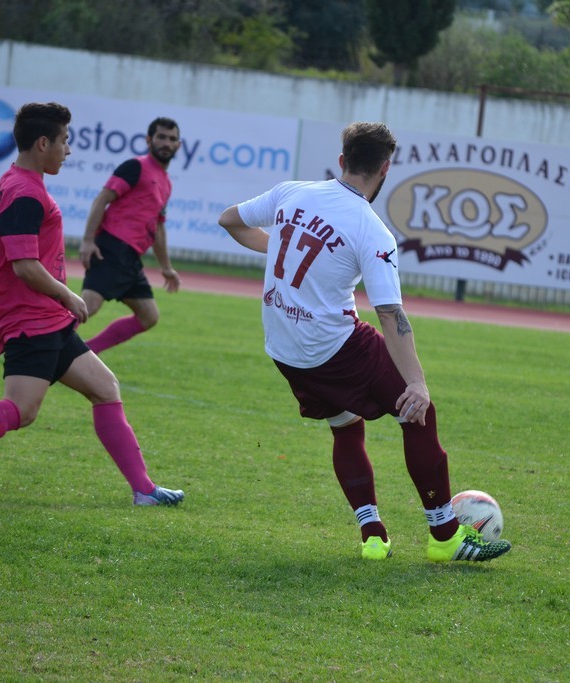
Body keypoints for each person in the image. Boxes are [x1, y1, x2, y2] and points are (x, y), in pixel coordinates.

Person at [217, 122, 511, 562]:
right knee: (418, 412)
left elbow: (229, 220)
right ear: (385, 169)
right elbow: (390, 314)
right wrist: (417, 383)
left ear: (342, 160)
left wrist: (284, 249)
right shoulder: (370, 229)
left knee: (346, 425)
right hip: (331, 346)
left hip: (283, 349)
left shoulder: (291, 191)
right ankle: (446, 536)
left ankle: (373, 534)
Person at [0, 102, 184, 507]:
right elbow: (24, 266)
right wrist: (66, 295)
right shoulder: (24, 192)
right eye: (65, 141)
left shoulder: (17, 183)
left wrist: (31, 308)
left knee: (105, 388)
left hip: (47, 318)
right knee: (22, 411)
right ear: (43, 143)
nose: (68, 150)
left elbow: (5, 261)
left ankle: (144, 490)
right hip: (33, 321)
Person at [79, 117, 182, 355]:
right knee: (87, 307)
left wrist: (166, 268)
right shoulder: (135, 167)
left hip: (131, 257)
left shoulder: (166, 183)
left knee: (149, 315)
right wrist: (88, 240)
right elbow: (102, 199)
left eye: (172, 139)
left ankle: (85, 352)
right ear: (149, 140)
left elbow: (158, 228)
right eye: (161, 137)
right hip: (111, 247)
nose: (166, 143)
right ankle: (41, 345)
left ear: (178, 145)